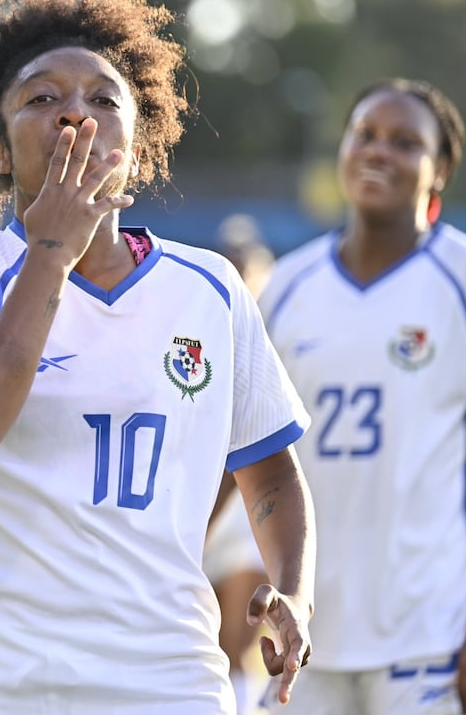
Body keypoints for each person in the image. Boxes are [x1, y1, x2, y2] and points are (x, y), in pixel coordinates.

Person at [0, 0, 317, 714]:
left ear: (140, 145)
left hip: (167, 684)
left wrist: (296, 593)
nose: (75, 117)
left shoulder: (210, 288)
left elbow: (270, 473)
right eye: (42, 99)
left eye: (102, 99)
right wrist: (51, 250)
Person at [257, 78, 466, 715]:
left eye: (405, 142)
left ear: (439, 170)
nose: (378, 151)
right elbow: (246, 452)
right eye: (365, 134)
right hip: (307, 629)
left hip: (429, 629)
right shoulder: (287, 286)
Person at [205, 214, 279, 714]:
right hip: (199, 501)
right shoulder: (195, 328)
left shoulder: (277, 338)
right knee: (204, 648)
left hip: (247, 513)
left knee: (236, 644)